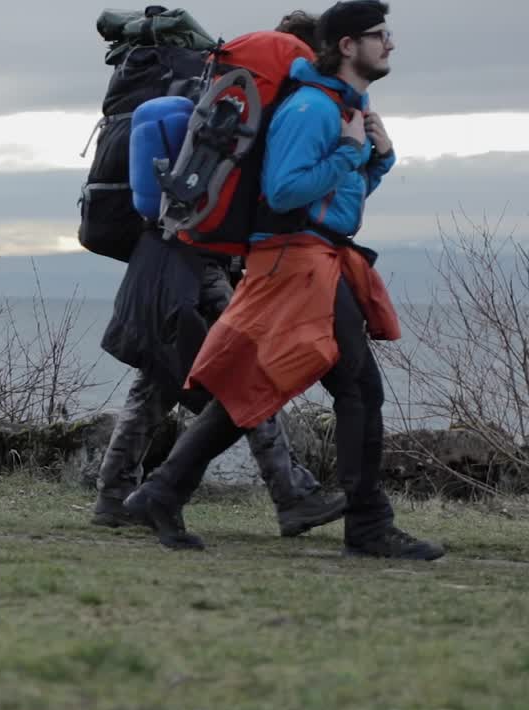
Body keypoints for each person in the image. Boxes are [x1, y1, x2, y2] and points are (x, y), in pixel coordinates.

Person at [123, 1, 445, 561]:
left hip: (316, 256)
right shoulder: (311, 110)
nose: (389, 44)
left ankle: (161, 490)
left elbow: (335, 203)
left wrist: (377, 162)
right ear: (346, 45)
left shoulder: (342, 107)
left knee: (254, 385)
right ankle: (368, 525)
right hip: (295, 261)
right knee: (358, 389)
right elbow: (285, 192)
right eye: (379, 35)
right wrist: (349, 151)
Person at [90, 10, 346, 539]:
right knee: (242, 370)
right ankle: (291, 493)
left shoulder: (228, 84)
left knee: (161, 373)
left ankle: (115, 492)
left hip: (167, 243)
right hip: (203, 254)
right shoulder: (282, 87)